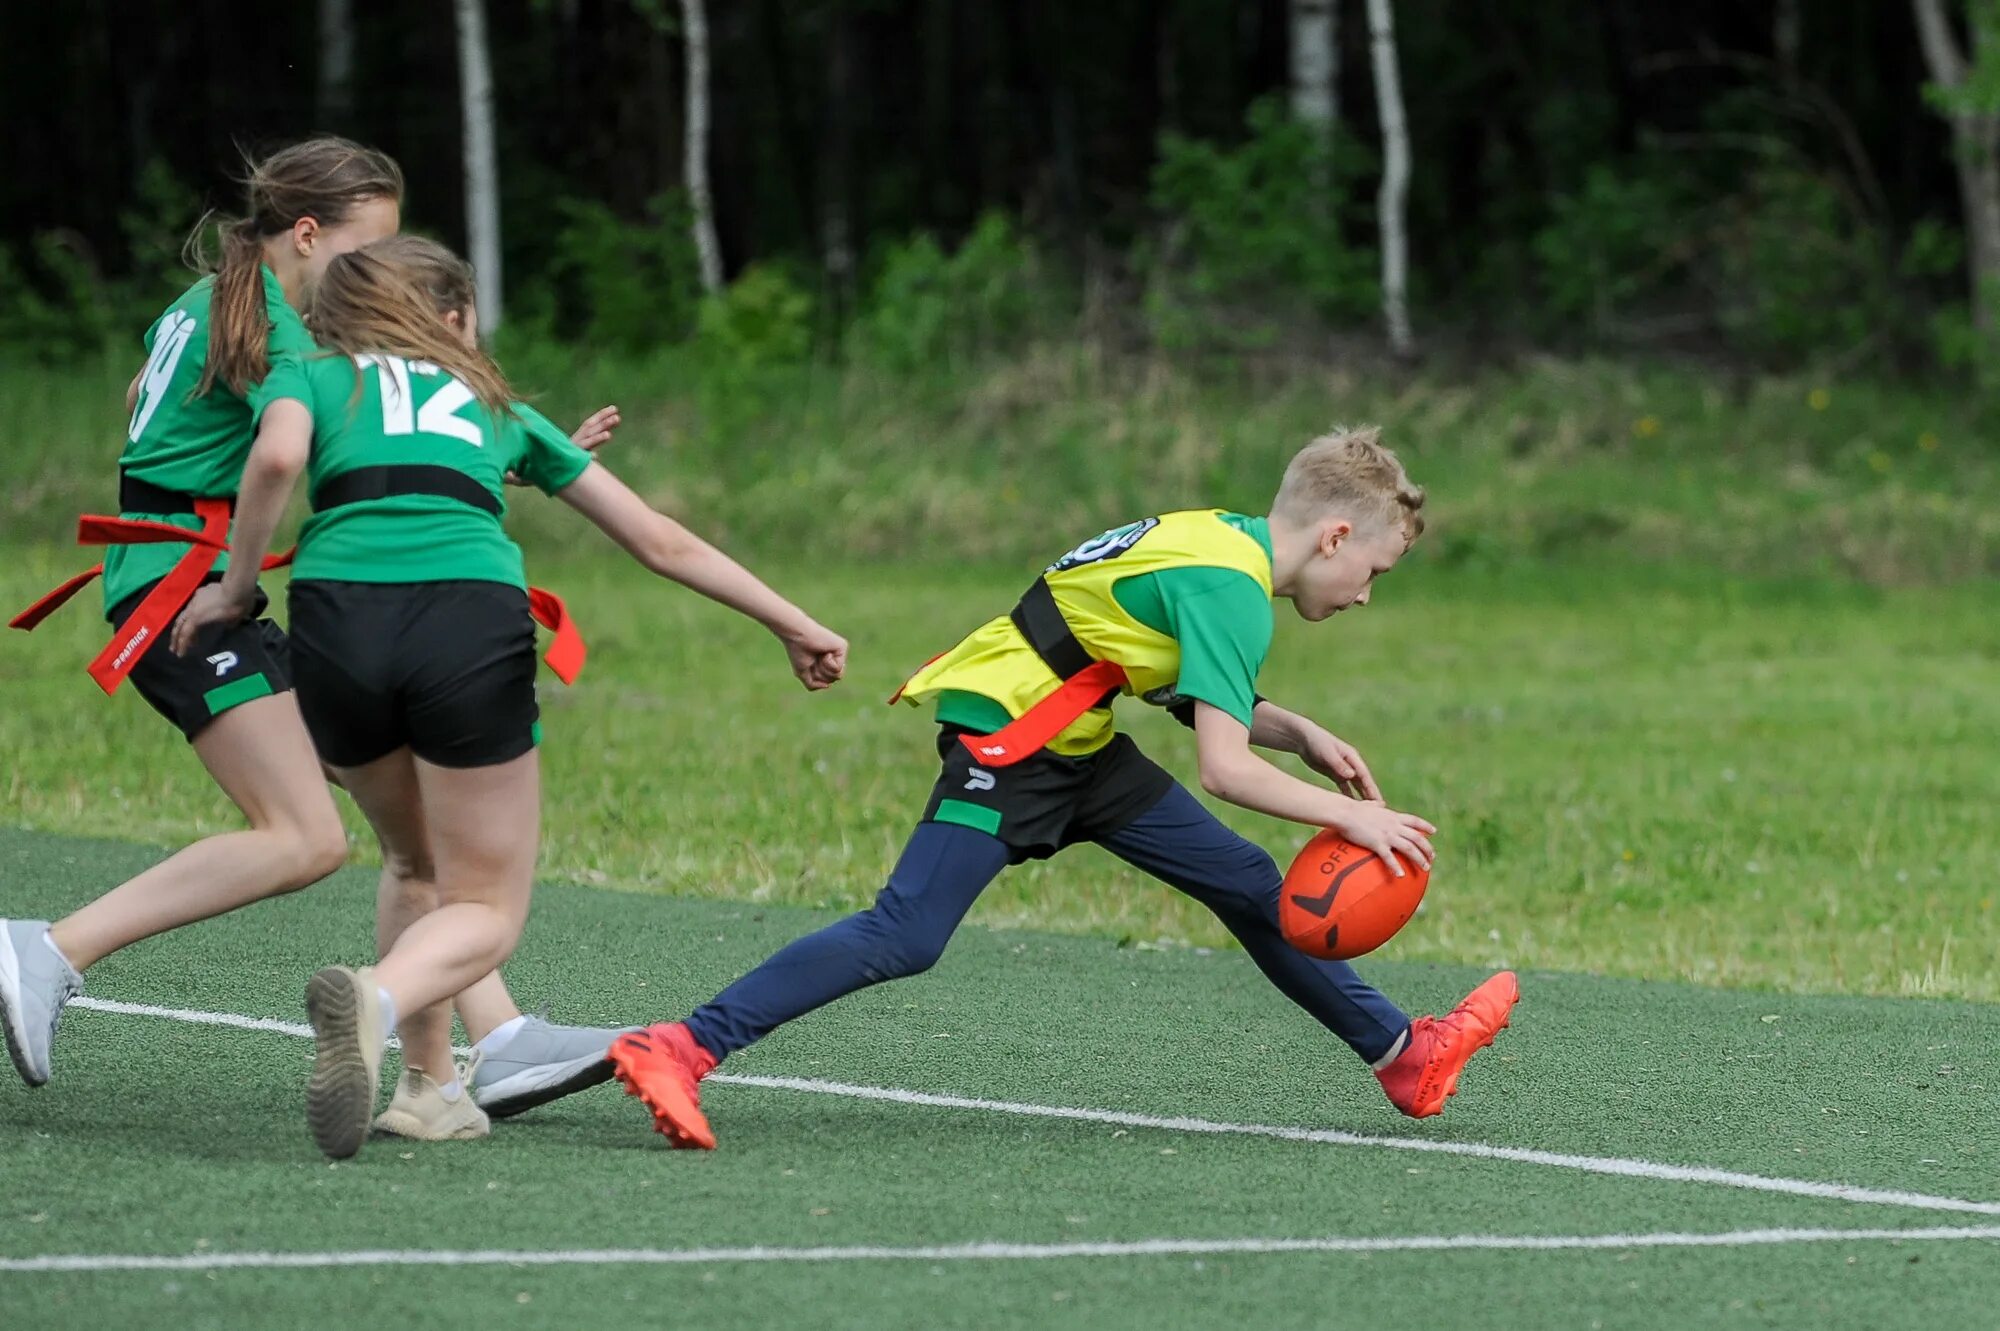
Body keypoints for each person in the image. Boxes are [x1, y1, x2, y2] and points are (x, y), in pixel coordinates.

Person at [606, 429, 1518, 1149]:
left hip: (1076, 737)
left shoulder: (1217, 540)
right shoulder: (1232, 588)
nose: (1365, 596)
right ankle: (682, 1045)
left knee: (1247, 884)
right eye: (1374, 572)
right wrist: (1352, 816)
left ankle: (1405, 1056)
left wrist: (1301, 730)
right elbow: (1224, 765)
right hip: (1017, 738)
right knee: (908, 931)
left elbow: (1155, 670)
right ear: (1335, 536)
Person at [169, 236, 848, 1160]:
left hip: (335, 622)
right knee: (487, 906)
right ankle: (377, 998)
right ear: (449, 319)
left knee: (414, 863)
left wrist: (239, 585)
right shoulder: (494, 406)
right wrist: (792, 621)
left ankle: (428, 1087)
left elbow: (278, 458)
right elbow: (658, 540)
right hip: (465, 618)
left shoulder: (313, 377)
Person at [0, 137, 401, 1091]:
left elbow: (150, 402)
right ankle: (49, 950)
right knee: (304, 836)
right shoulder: (270, 329)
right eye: (369, 249)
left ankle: (474, 1049)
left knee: (408, 802)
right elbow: (280, 455)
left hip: (164, 579)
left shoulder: (205, 304)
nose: (382, 271)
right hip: (184, 598)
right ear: (307, 234)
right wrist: (232, 577)